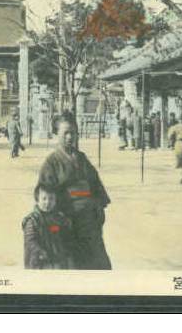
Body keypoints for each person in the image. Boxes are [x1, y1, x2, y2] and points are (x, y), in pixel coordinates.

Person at [38, 112, 112, 270]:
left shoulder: (82, 158)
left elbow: (95, 185)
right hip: (67, 223)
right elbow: (45, 199)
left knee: (99, 267)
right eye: (65, 133)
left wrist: (98, 206)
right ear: (56, 134)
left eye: (73, 133)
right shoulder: (51, 163)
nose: (70, 137)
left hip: (90, 223)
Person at [22, 184, 73, 270]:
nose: (47, 202)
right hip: (39, 262)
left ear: (55, 201)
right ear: (37, 200)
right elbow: (30, 240)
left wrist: (66, 225)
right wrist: (39, 252)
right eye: (44, 199)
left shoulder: (59, 218)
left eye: (51, 199)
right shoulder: (32, 220)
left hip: (57, 260)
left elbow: (63, 234)